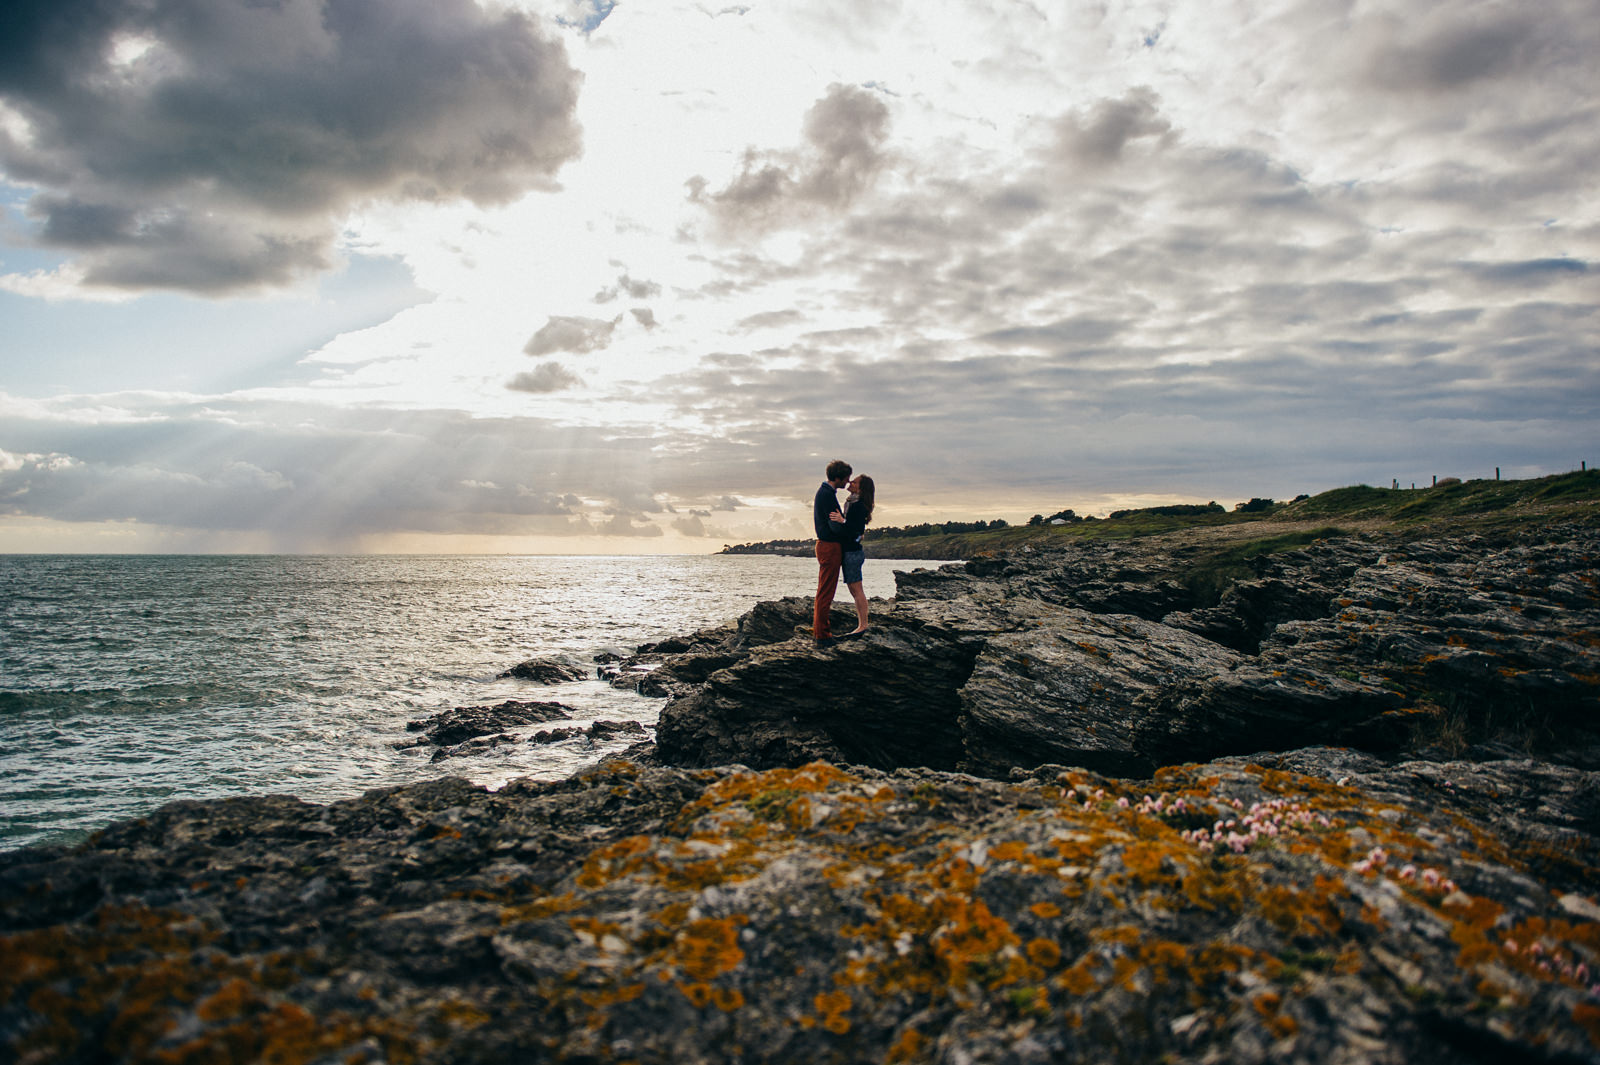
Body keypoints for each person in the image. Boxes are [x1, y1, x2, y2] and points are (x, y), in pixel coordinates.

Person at [829, 474, 875, 636]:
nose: (850, 482)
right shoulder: (852, 503)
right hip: (851, 551)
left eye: (854, 482)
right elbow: (858, 531)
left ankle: (863, 625)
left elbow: (855, 529)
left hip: (853, 553)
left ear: (860, 488)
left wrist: (843, 521)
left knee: (857, 591)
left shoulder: (858, 505)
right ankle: (862, 624)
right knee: (855, 590)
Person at [812, 460, 852, 643]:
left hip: (826, 545)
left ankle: (821, 631)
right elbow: (835, 525)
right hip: (829, 546)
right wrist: (848, 527)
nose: (848, 482)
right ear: (838, 477)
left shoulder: (825, 492)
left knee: (825, 590)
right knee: (826, 591)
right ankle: (822, 634)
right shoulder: (827, 494)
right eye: (846, 478)